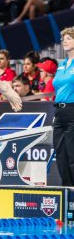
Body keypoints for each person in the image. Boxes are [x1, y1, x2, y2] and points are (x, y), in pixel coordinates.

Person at [52, 28, 74, 184]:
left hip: (73, 111)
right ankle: (67, 188)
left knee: (72, 152)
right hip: (59, 112)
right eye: (63, 39)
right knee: (60, 153)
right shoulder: (61, 64)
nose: (64, 41)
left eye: (68, 38)